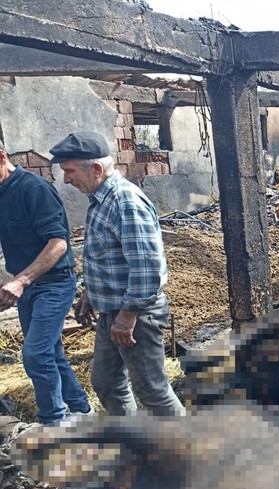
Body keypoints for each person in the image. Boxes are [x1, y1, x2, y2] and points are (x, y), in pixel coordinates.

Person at [50, 132, 185, 416]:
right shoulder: (102, 198)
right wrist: (91, 293)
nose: (66, 180)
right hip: (114, 309)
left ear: (96, 169)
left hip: (137, 314)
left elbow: (147, 269)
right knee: (107, 382)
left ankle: (186, 456)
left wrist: (127, 316)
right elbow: (109, 256)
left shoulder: (125, 201)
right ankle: (133, 441)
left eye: (70, 171)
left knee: (153, 390)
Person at [0, 138, 93, 424]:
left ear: (1, 156)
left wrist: (20, 282)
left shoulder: (34, 189)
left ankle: (53, 421)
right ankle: (80, 409)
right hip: (25, 286)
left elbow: (59, 244)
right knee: (50, 352)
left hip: (53, 283)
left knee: (35, 354)